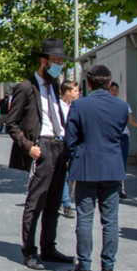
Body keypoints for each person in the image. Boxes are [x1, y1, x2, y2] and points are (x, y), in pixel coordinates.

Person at [5, 38, 75, 270]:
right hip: (40, 148)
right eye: (55, 62)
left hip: (59, 146)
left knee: (54, 202)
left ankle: (49, 247)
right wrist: (28, 147)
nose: (58, 67)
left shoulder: (55, 86)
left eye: (61, 63)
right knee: (35, 203)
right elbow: (11, 124)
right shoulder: (25, 88)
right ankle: (29, 250)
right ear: (43, 61)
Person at [61, 65, 130, 271]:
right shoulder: (121, 107)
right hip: (111, 167)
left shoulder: (79, 106)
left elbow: (70, 139)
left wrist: (72, 157)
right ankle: (108, 268)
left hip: (85, 166)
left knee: (85, 218)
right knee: (110, 221)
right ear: (109, 83)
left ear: (88, 84)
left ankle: (84, 266)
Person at [59, 80, 80, 219]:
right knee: (64, 175)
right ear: (68, 92)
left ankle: (69, 199)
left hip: (75, 144)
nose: (78, 93)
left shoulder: (77, 106)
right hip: (60, 143)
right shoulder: (56, 106)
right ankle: (66, 204)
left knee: (73, 175)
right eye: (75, 91)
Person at [107, 82, 131, 200]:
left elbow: (130, 120)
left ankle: (120, 187)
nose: (115, 92)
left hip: (123, 135)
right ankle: (111, 186)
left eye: (116, 90)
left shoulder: (123, 105)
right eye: (112, 90)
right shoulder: (105, 105)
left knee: (122, 162)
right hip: (110, 136)